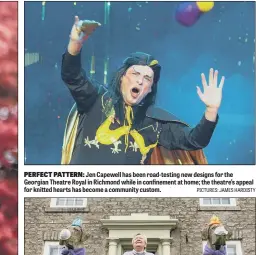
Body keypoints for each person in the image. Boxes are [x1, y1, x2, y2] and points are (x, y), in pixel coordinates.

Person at [60, 16, 226, 165]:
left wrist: (211, 110)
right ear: (122, 78)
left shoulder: (155, 123)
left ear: (149, 89)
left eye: (147, 78)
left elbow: (194, 140)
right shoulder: (96, 99)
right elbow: (72, 76)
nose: (140, 80)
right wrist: (75, 45)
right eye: (135, 74)